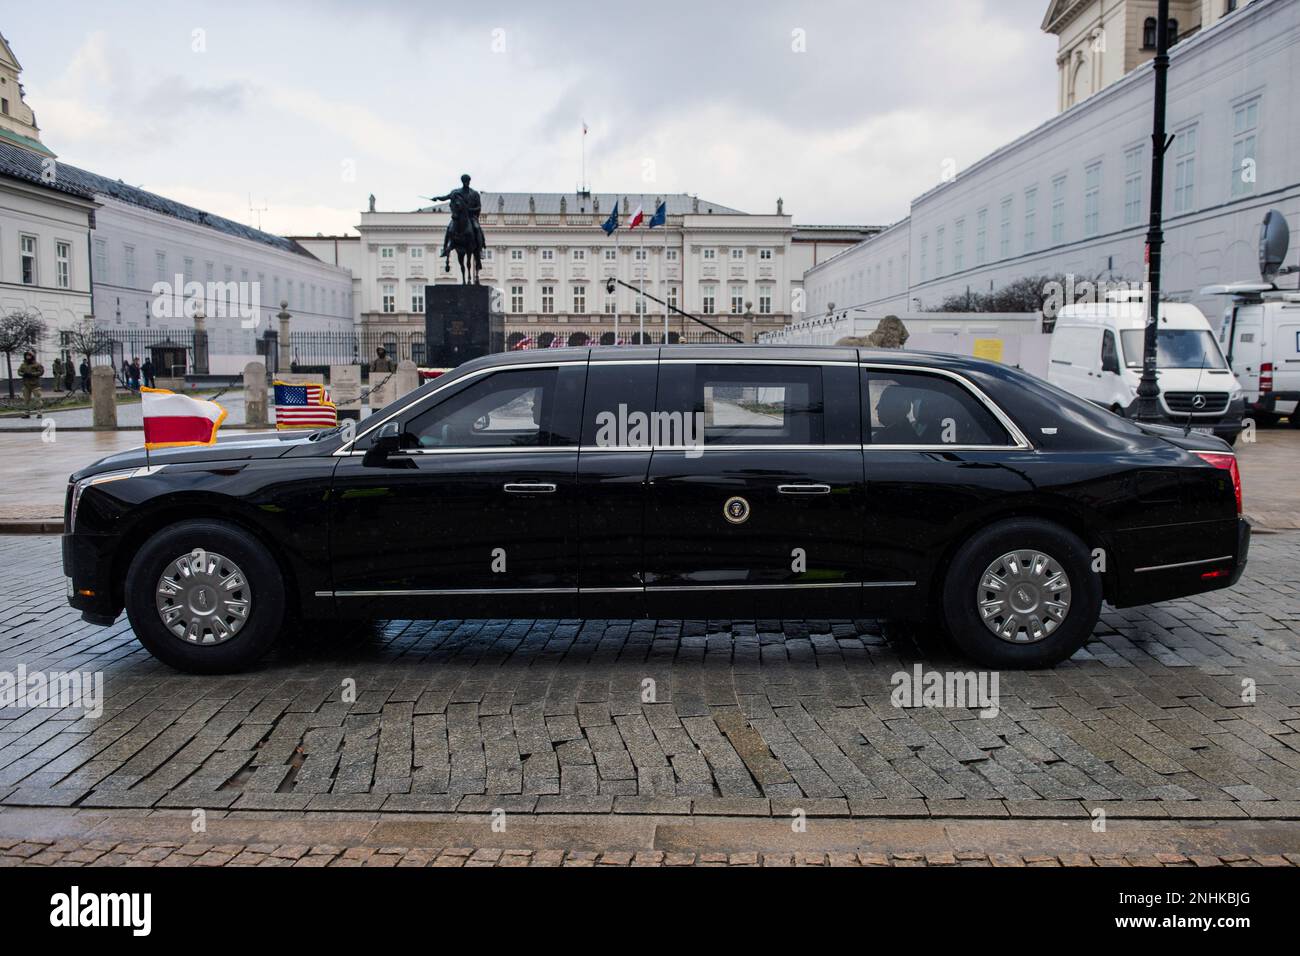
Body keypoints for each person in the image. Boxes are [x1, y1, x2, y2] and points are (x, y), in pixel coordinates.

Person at [17, 350, 43, 418]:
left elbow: (41, 372)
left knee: (37, 399)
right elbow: (19, 371)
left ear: (32, 356)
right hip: (26, 384)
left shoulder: (37, 364)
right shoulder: (23, 364)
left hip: (35, 384)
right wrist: (23, 374)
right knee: (26, 400)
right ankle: (26, 413)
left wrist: (32, 374)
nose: (28, 357)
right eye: (26, 355)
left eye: (29, 355)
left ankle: (39, 413)